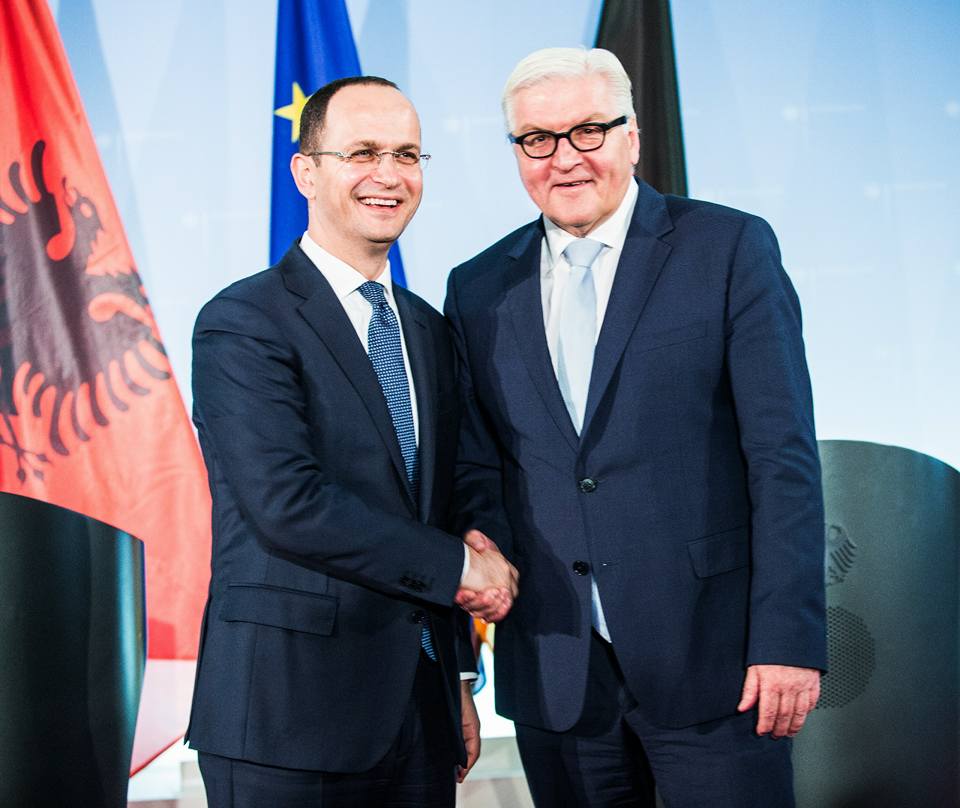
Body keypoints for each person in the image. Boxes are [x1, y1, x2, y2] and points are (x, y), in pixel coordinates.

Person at [446, 48, 826, 807]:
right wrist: (483, 567)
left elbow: (781, 456)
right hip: (558, 673)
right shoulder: (478, 286)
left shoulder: (728, 248)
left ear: (633, 136)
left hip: (718, 666)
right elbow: (479, 469)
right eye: (538, 139)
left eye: (588, 130)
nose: (565, 158)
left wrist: (787, 639)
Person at [186, 75, 517, 808]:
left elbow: (445, 499)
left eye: (407, 154)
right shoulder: (243, 321)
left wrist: (459, 679)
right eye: (363, 152)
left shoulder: (430, 329)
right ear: (306, 172)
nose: (388, 175)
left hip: (420, 714)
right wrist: (459, 567)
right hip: (285, 718)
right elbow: (287, 504)